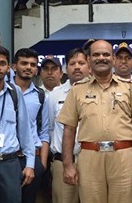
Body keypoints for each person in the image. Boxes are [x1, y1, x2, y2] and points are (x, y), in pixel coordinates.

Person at [57, 40, 132, 203]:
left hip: (123, 158)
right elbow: (69, 129)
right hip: (89, 157)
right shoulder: (77, 90)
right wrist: (68, 165)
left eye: (106, 54)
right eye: (96, 54)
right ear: (88, 60)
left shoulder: (129, 88)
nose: (101, 58)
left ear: (113, 59)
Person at [10, 48, 51, 203]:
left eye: (33, 65)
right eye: (24, 63)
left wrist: (42, 164)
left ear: (36, 70)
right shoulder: (3, 90)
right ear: (14, 66)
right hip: (8, 158)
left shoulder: (40, 96)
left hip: (32, 158)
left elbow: (45, 131)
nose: (28, 67)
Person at [48, 49, 88, 203]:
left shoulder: (98, 92)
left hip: (91, 161)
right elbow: (51, 128)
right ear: (65, 69)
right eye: (72, 63)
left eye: (81, 63)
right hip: (62, 163)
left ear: (89, 66)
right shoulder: (55, 95)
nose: (76, 67)